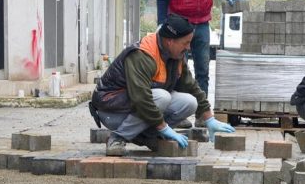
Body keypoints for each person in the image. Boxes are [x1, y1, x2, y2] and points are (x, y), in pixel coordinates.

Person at [90, 14, 236, 156]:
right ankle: (117, 138)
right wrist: (164, 128)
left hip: (136, 107)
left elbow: (191, 86)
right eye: (185, 43)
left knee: (190, 102)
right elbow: (141, 99)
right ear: (170, 41)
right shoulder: (143, 55)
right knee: (162, 97)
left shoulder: (176, 55)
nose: (189, 47)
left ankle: (148, 136)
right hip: (110, 110)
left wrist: (209, 118)